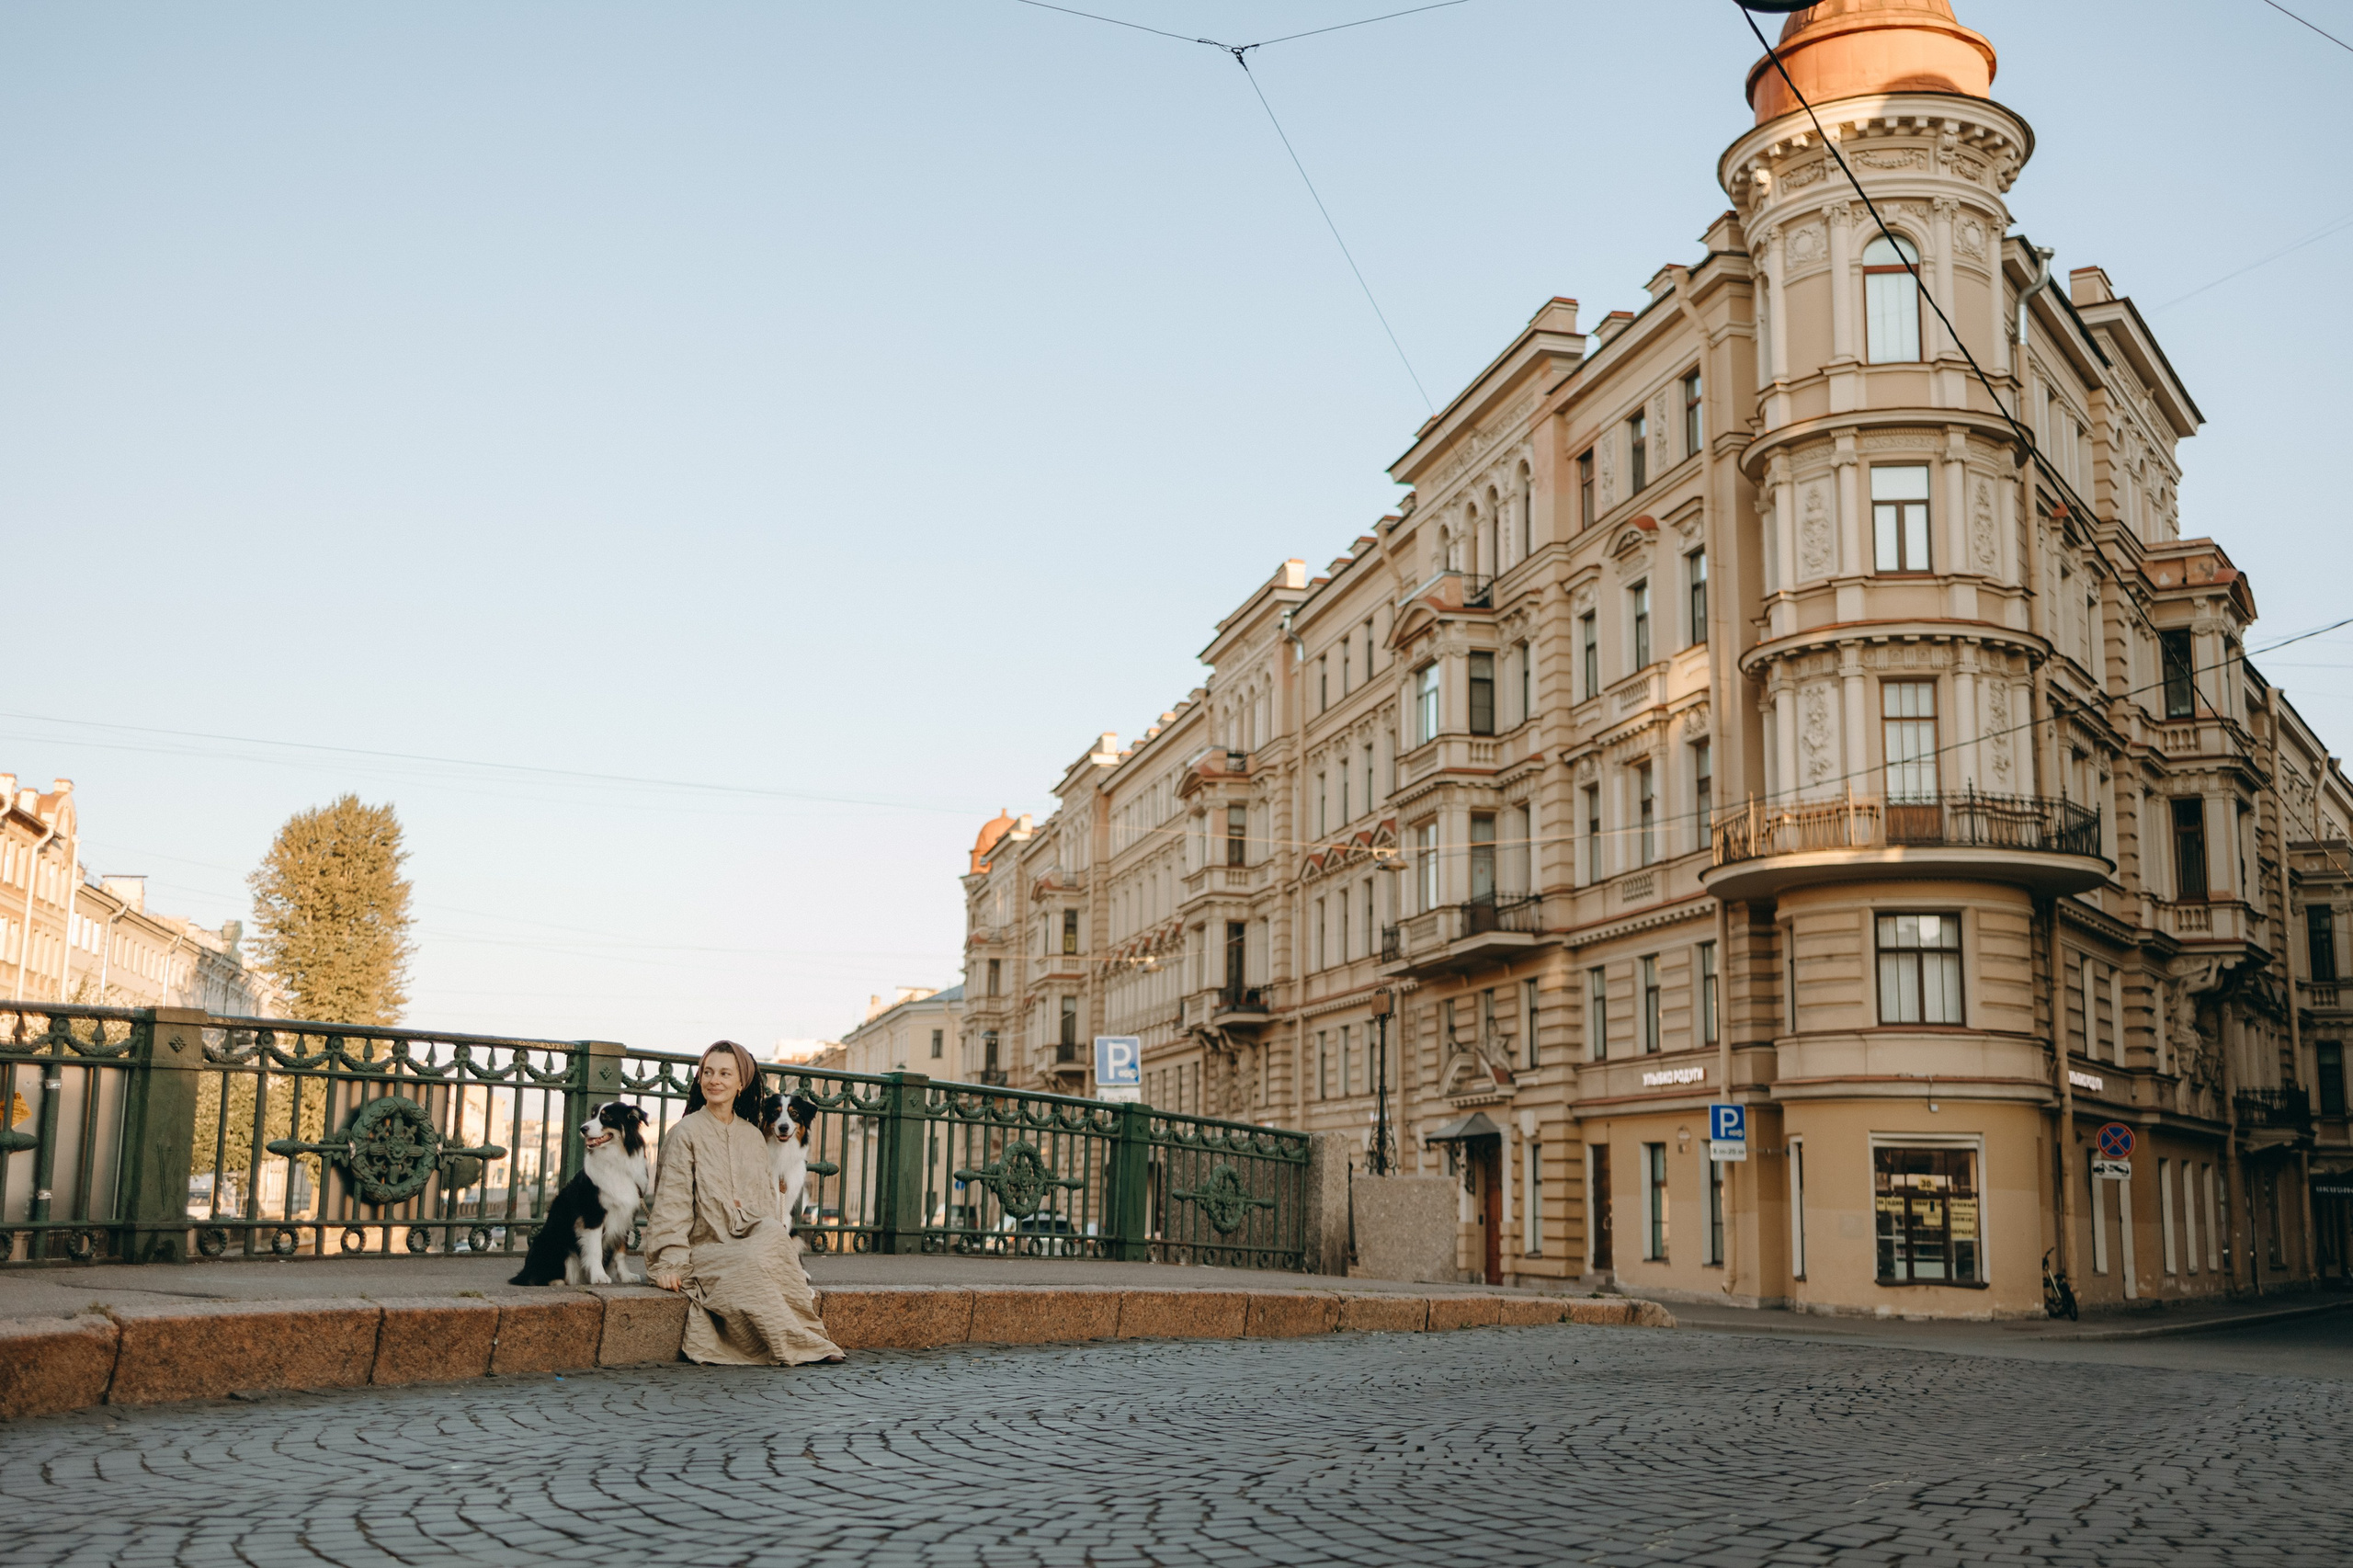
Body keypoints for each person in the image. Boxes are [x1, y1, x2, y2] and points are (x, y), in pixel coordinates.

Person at [642, 1040, 844, 1366]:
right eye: (707, 1072)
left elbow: (765, 1204)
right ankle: (796, 1344)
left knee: (774, 1237)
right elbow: (671, 1202)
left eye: (724, 1073)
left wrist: (765, 1232)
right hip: (705, 1245)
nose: (714, 1080)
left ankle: (807, 1336)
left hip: (750, 1237)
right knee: (750, 1261)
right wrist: (670, 1260)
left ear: (741, 1084)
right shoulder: (685, 1133)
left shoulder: (752, 1135)